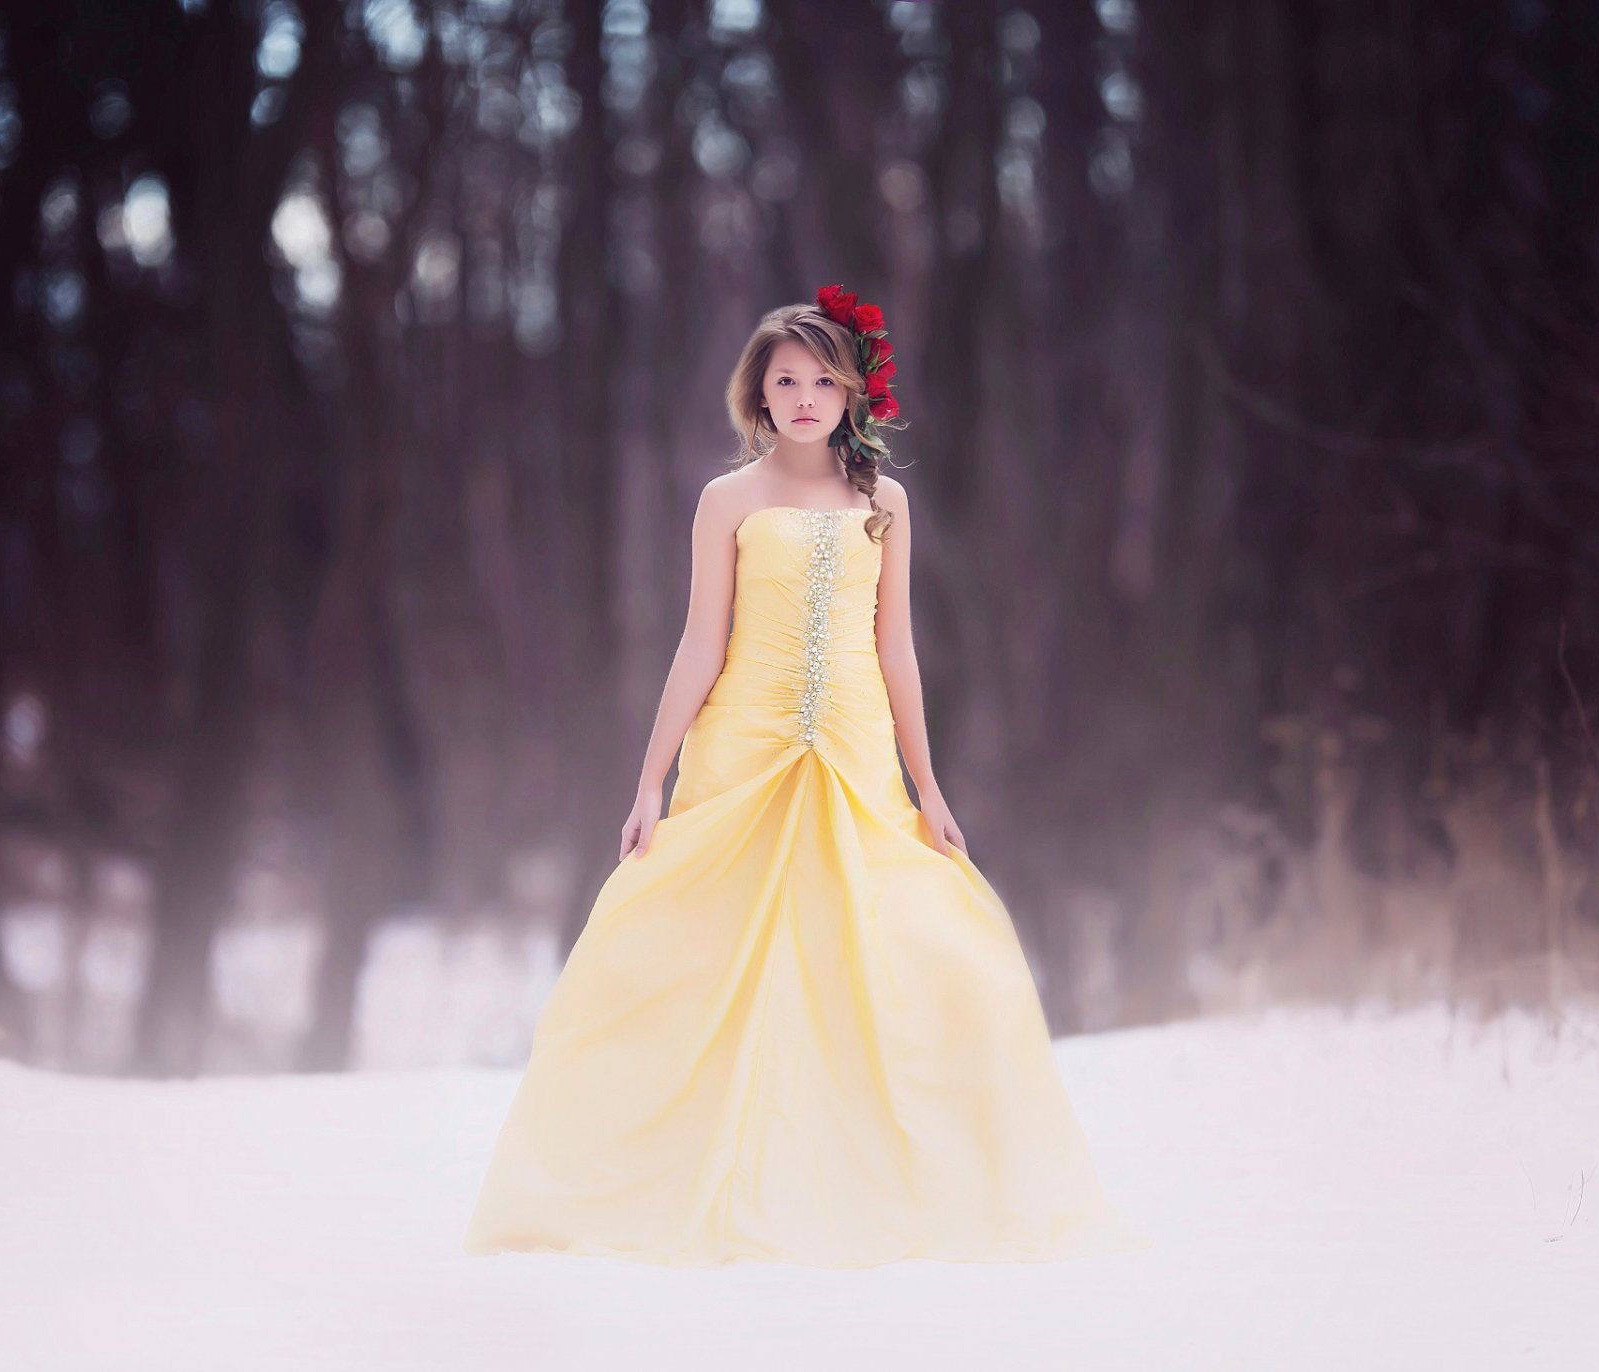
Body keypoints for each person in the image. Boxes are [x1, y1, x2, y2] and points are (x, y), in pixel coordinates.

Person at [462, 285, 1152, 1266]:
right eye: (784, 379)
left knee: (902, 943)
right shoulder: (728, 500)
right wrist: (648, 782)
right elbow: (700, 642)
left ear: (852, 392)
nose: (802, 396)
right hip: (744, 746)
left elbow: (898, 648)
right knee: (711, 950)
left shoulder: (884, 501)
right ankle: (679, 1172)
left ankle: (890, 1176)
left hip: (859, 751)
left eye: (822, 380)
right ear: (758, 393)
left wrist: (929, 786)